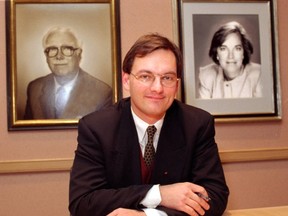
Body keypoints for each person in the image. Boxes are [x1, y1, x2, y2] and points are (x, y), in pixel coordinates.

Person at [69, 33, 229, 216]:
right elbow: (83, 204)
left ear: (176, 85)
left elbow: (214, 197)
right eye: (146, 76)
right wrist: (158, 194)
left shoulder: (198, 124)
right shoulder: (96, 128)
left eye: (167, 78)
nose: (157, 88)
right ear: (127, 80)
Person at [24, 26, 112, 120]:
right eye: (52, 49)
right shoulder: (35, 88)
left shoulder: (102, 92)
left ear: (79, 53)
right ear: (46, 56)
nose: (59, 56)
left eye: (67, 49)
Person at [198, 21, 263, 99]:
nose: (230, 56)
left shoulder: (259, 75)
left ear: (243, 53)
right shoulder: (206, 75)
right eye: (223, 49)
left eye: (237, 48)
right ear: (217, 54)